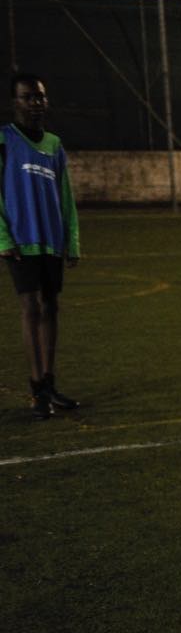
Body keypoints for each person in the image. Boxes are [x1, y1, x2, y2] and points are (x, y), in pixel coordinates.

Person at [3, 72, 81, 420]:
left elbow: (66, 197)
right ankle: (37, 391)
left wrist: (72, 240)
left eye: (39, 97)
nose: (35, 103)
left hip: (51, 241)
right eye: (27, 97)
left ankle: (49, 384)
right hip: (21, 241)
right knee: (31, 307)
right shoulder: (5, 140)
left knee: (51, 307)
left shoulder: (54, 145)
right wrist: (3, 237)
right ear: (14, 102)